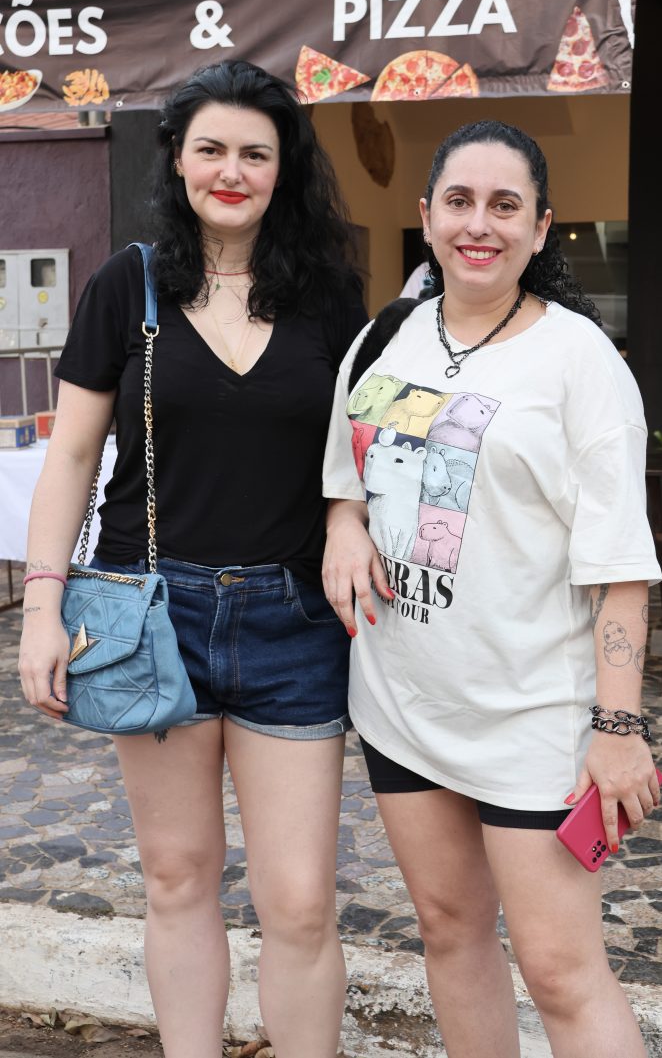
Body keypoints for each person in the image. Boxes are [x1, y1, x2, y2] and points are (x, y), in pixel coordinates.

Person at [18, 58, 367, 1058]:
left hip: (294, 619)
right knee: (177, 876)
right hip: (150, 610)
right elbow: (72, 456)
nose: (232, 171)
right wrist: (42, 607)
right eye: (211, 148)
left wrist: (347, 519)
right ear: (177, 158)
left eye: (255, 153)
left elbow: (360, 446)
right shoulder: (125, 283)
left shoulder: (330, 294)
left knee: (299, 900)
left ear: (282, 168)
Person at [322, 119, 662, 1057]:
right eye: (460, 202)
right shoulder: (385, 336)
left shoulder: (580, 359)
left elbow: (620, 566)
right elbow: (346, 480)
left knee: (560, 970)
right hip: (402, 702)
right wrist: (343, 524)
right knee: (449, 930)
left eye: (506, 205)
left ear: (541, 226)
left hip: (531, 721)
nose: (481, 224)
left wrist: (618, 727)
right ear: (427, 215)